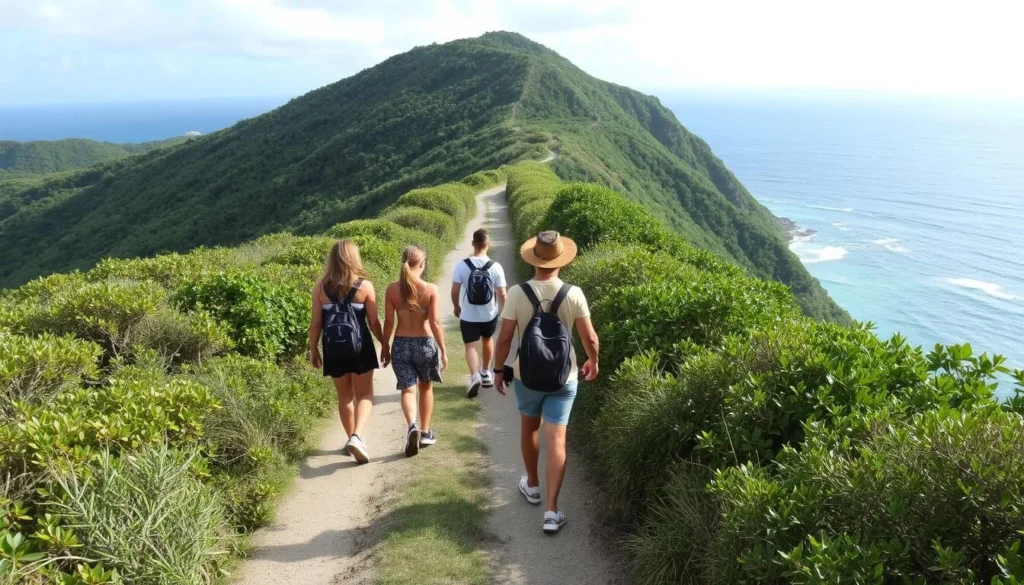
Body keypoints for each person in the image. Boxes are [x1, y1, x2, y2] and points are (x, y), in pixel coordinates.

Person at [494, 231, 600, 533]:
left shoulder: (517, 293)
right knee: (557, 439)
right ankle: (552, 511)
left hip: (526, 375)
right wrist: (594, 360)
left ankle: (532, 484)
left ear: (535, 259)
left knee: (529, 428)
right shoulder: (574, 293)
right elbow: (589, 337)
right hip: (564, 377)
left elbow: (504, 339)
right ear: (560, 260)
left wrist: (498, 370)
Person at [308, 239, 384, 465]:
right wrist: (385, 344)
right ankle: (357, 436)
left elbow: (315, 324)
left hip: (333, 349)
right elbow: (373, 323)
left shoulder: (320, 287)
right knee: (365, 395)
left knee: (344, 397)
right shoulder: (364, 286)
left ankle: (352, 440)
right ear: (354, 258)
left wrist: (313, 350)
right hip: (360, 348)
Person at [381, 245, 449, 457]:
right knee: (425, 388)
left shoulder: (392, 289)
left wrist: (385, 346)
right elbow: (435, 323)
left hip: (401, 344)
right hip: (424, 344)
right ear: (422, 264)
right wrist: (443, 351)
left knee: (407, 390)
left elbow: (389, 322)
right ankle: (426, 432)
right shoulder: (430, 289)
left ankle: (412, 425)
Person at [451, 228, 507, 398]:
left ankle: (474, 375)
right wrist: (504, 313)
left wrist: (456, 306)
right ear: (488, 245)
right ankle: (486, 373)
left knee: (470, 345)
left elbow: (455, 290)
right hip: (489, 314)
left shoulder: (462, 265)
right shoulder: (496, 266)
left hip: (468, 314)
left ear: (473, 244)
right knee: (488, 339)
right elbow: (502, 293)